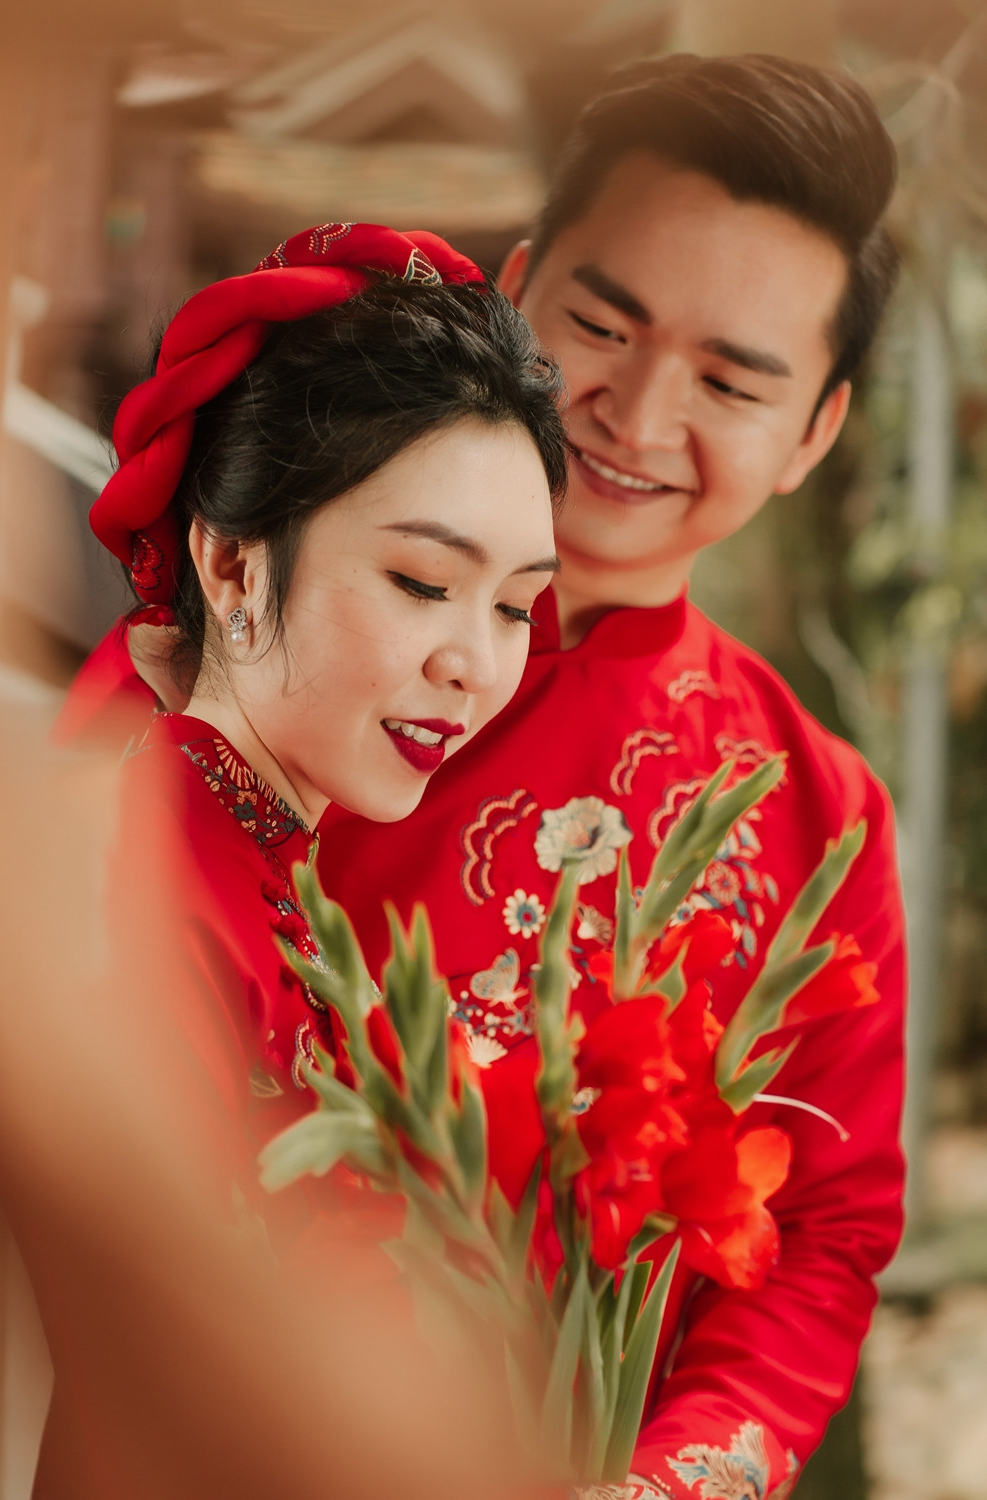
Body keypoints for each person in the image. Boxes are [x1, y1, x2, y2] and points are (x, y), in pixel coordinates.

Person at [314, 56, 906, 1498]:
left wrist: (667, 1485)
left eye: (730, 381)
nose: (636, 416)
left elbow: (819, 1238)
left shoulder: (814, 812)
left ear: (813, 434)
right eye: (599, 326)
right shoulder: (262, 623)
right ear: (515, 291)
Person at [24, 221, 566, 1491]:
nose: (476, 663)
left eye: (514, 606)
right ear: (231, 563)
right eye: (423, 582)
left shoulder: (260, 867)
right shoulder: (144, 889)